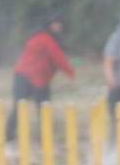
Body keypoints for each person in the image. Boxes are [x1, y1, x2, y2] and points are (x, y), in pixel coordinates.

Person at [5, 13, 74, 143]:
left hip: (39, 79)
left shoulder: (48, 38)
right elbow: (58, 58)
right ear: (49, 25)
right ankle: (8, 137)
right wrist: (71, 73)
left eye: (60, 24)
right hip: (25, 77)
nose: (58, 26)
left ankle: (44, 139)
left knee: (43, 109)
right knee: (21, 108)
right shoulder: (44, 38)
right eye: (55, 24)